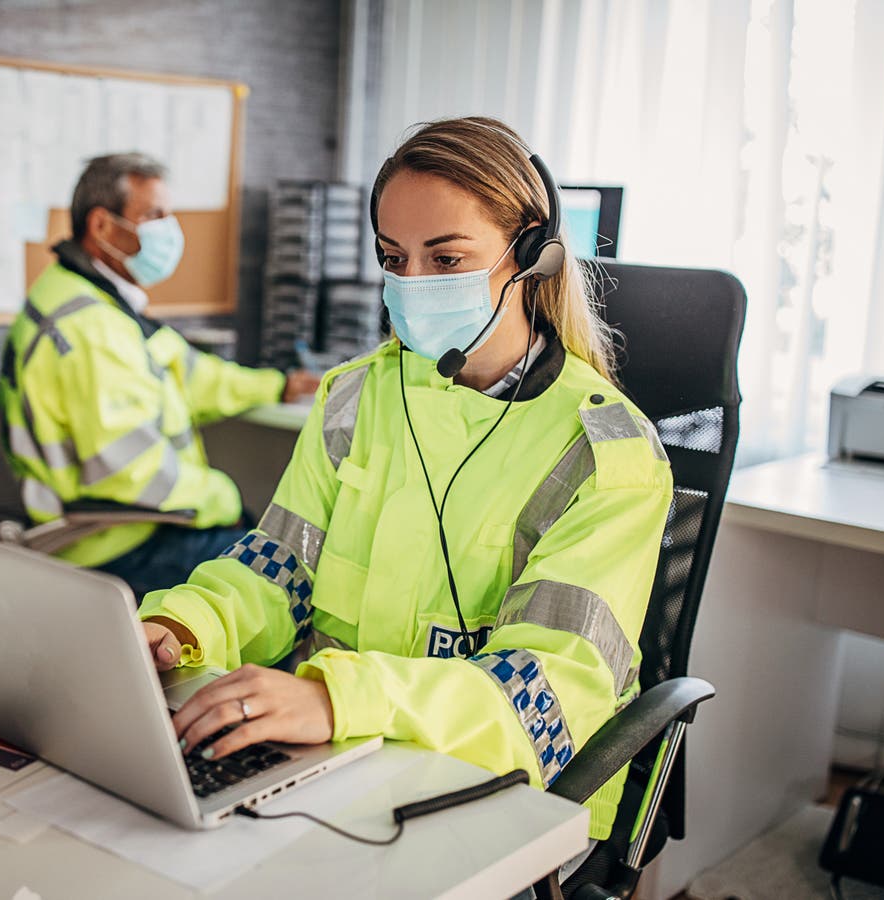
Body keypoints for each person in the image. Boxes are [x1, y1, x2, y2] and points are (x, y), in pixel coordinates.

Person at [136, 117, 673, 847]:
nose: (412, 285)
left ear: (532, 256)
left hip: (504, 790)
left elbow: (549, 695)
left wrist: (337, 699)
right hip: (341, 761)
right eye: (394, 257)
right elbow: (275, 571)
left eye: (447, 258)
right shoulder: (356, 396)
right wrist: (184, 625)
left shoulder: (607, 453)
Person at [0, 153, 319, 597]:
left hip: (121, 522)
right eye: (153, 216)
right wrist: (223, 498)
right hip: (109, 540)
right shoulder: (90, 329)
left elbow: (188, 373)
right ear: (103, 227)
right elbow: (131, 471)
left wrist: (277, 385)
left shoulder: (89, 294)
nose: (169, 230)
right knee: (277, 582)